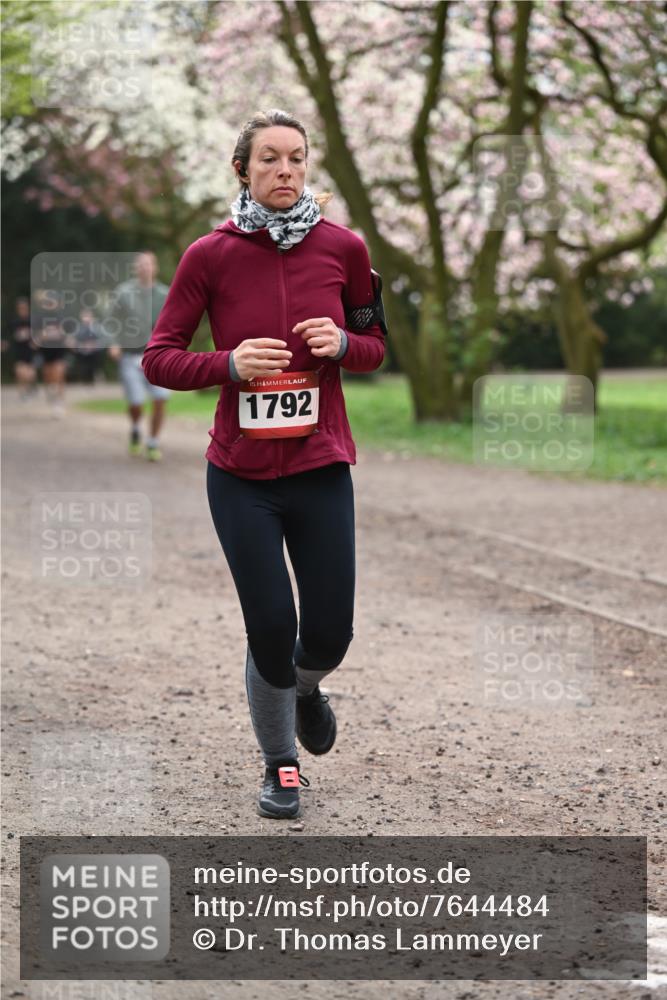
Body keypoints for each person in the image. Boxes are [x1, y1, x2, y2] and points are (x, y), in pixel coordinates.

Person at [142, 108, 388, 819]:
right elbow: (159, 357)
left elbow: (374, 349)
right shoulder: (208, 255)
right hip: (240, 478)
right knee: (271, 626)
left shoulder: (344, 248)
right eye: (270, 159)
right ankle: (280, 764)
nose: (285, 171)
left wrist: (343, 344)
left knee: (330, 634)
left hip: (319, 469)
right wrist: (228, 363)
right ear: (241, 170)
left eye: (296, 159)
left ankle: (306, 688)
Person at [107, 251, 171, 461]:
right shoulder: (123, 293)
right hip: (131, 355)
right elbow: (110, 320)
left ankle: (153, 442)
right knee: (136, 402)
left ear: (155, 267)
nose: (145, 268)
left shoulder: (165, 294)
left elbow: (174, 323)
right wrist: (114, 342)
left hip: (157, 357)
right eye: (141, 265)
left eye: (148, 264)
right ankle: (135, 427)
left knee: (161, 398)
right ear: (136, 268)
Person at [31, 289, 69, 416]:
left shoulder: (62, 317)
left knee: (59, 373)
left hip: (59, 350)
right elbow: (35, 336)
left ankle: (59, 403)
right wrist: (41, 336)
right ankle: (51, 391)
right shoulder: (39, 318)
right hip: (46, 351)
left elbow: (67, 333)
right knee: (48, 376)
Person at [8, 297, 39, 400]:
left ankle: (32, 386)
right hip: (19, 350)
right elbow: (13, 336)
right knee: (19, 373)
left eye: (24, 307)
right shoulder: (15, 321)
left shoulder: (32, 321)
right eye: (20, 308)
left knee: (30, 374)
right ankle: (22, 393)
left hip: (30, 351)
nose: (22, 310)